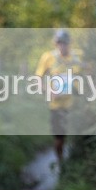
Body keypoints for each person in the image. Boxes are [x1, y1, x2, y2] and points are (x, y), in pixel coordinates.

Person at [35, 29, 84, 167]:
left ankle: (78, 162)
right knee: (59, 137)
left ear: (70, 43)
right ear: (55, 44)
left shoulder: (78, 56)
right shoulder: (48, 57)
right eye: (59, 43)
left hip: (76, 104)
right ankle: (61, 163)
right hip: (56, 105)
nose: (62, 46)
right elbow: (38, 77)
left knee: (77, 134)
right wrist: (47, 90)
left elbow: (91, 71)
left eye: (65, 43)